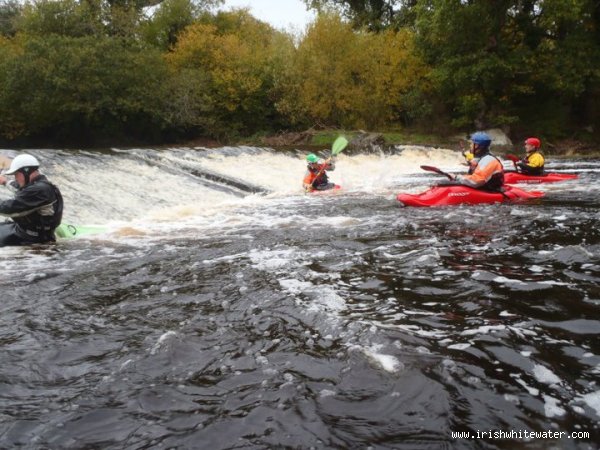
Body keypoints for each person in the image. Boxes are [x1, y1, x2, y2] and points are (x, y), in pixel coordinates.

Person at [0, 154, 63, 246]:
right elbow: (21, 189)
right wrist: (5, 181)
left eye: (16, 174)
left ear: (26, 171)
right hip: (28, 232)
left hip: (32, 239)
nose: (15, 178)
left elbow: (8, 209)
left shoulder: (38, 190)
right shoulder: (40, 185)